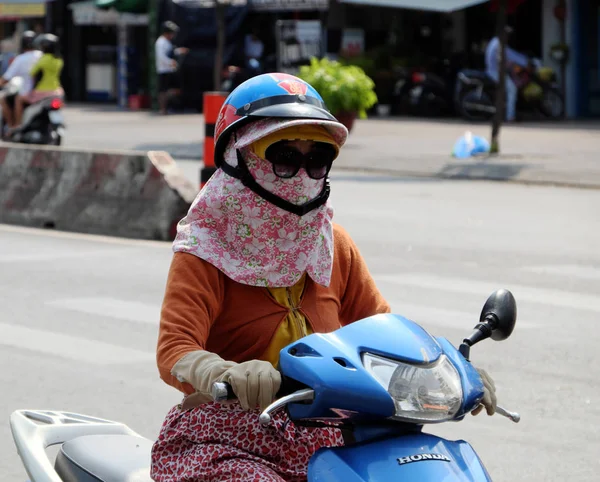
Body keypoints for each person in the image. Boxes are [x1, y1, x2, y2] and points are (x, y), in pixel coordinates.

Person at [150, 73, 498, 482]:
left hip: (332, 436)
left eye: (316, 159)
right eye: (283, 157)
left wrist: (450, 373)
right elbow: (175, 350)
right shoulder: (204, 249)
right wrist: (227, 373)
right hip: (227, 438)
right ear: (239, 158)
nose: (301, 175)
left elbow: (385, 334)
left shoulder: (333, 244)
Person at [12, 33, 63, 129]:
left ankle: (17, 125)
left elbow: (33, 73)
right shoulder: (59, 60)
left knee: (19, 99)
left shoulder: (43, 59)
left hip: (42, 92)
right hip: (57, 91)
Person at [485, 26, 529, 122]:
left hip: (494, 71)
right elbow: (511, 55)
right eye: (507, 35)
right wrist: (525, 61)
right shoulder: (499, 45)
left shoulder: (495, 41)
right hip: (495, 73)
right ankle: (510, 116)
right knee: (512, 88)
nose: (508, 37)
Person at [0, 30, 41, 131]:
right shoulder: (42, 56)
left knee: (10, 99)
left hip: (29, 93)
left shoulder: (21, 59)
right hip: (46, 92)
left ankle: (14, 127)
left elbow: (6, 78)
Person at [155, 21, 188, 115]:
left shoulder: (167, 42)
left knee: (175, 89)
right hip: (163, 70)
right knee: (163, 91)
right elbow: (161, 57)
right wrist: (171, 62)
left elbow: (171, 52)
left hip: (170, 69)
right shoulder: (160, 42)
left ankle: (168, 106)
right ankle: (163, 109)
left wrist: (179, 51)